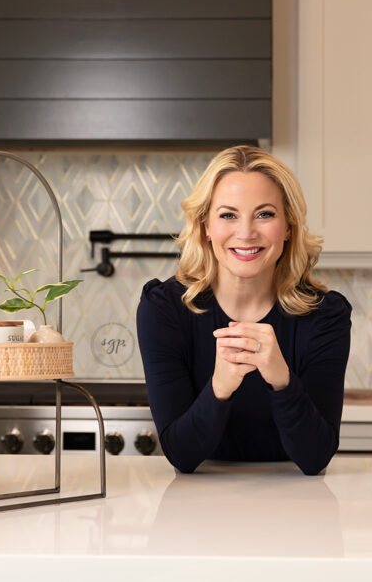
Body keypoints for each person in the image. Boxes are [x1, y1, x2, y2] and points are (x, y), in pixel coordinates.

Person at [137, 145, 352, 475]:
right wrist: (219, 387)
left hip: (301, 509)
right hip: (196, 510)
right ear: (206, 226)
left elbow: (315, 459)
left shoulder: (325, 316)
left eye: (265, 214)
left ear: (289, 226)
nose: (246, 232)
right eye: (228, 215)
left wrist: (282, 380)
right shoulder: (165, 309)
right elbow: (181, 456)